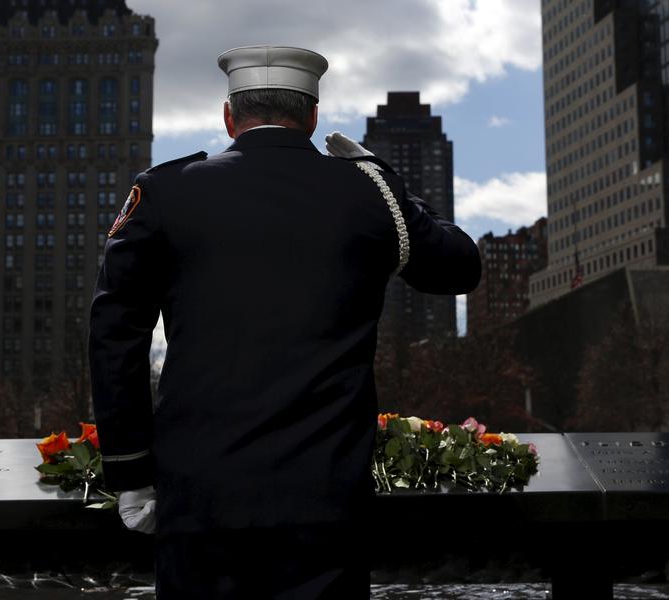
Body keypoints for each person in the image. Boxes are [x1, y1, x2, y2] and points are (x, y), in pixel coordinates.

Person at [88, 44, 482, 599]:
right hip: (325, 498)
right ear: (313, 117)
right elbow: (459, 268)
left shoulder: (163, 192)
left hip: (201, 496)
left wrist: (129, 469)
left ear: (229, 116)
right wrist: (382, 179)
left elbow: (114, 340)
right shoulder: (367, 192)